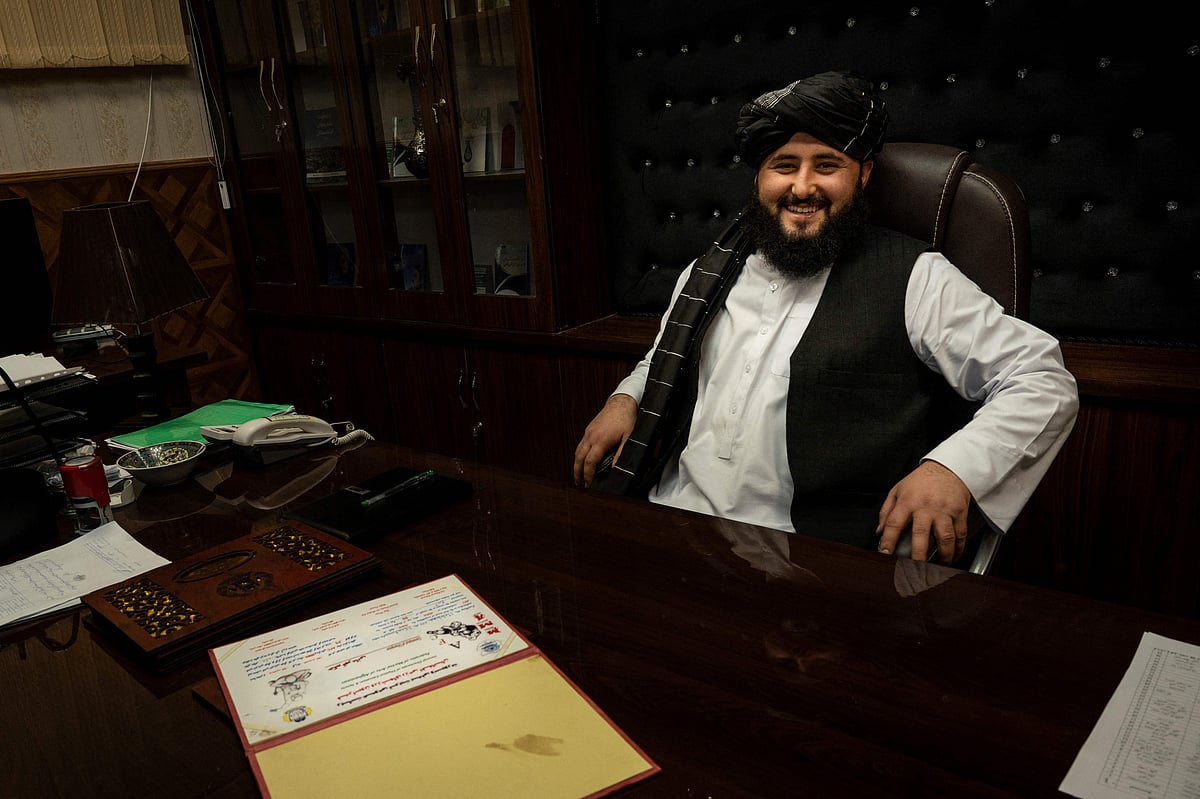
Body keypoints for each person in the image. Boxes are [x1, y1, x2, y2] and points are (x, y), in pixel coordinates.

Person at [572, 71, 1079, 564]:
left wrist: (953, 470)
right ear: (759, 178)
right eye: (784, 165)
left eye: (827, 165)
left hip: (811, 560)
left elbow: (1041, 379)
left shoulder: (916, 277)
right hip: (672, 525)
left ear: (863, 174)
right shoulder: (708, 274)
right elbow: (667, 357)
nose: (802, 187)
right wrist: (626, 397)